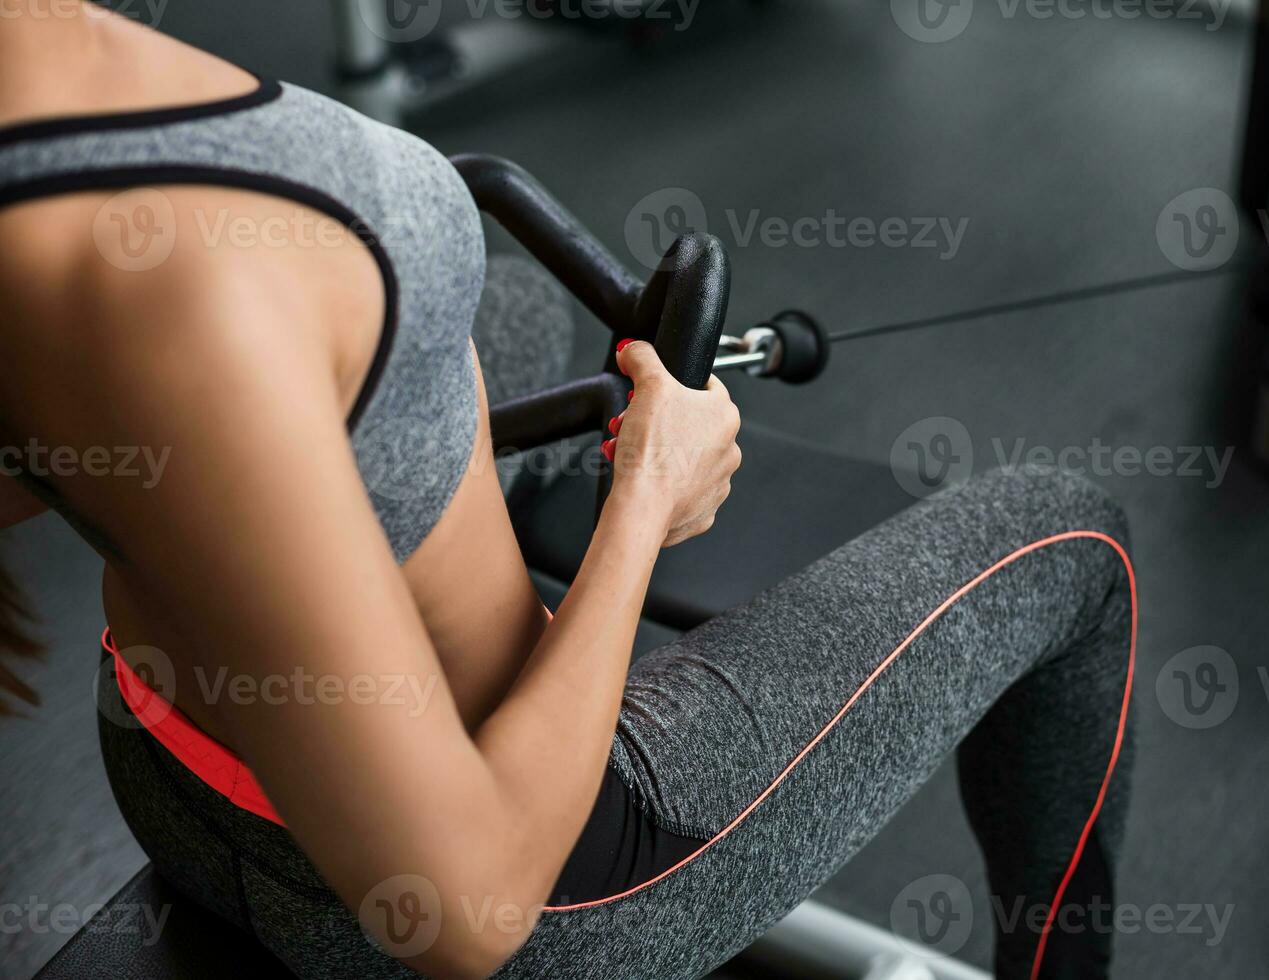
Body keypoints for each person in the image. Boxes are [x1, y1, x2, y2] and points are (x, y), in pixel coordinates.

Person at [0, 3, 1137, 977]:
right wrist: (648, 497)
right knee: (1080, 540)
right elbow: (464, 909)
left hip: (161, 751)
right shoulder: (190, 300)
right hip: (537, 876)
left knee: (515, 308)